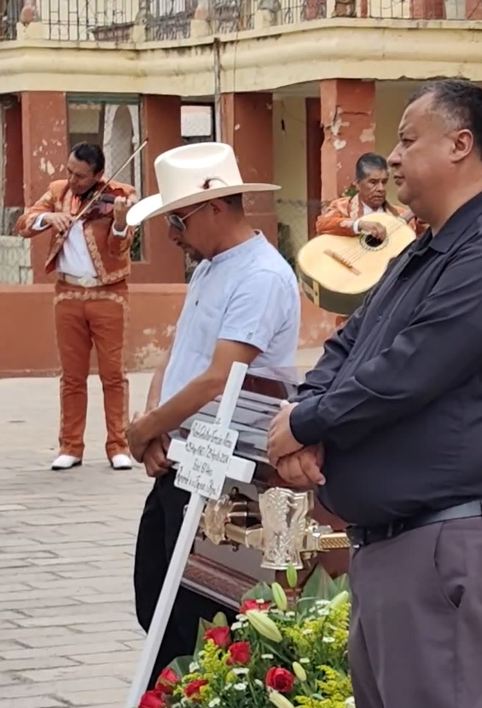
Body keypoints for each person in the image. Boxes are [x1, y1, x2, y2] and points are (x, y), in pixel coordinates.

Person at [264, 79, 482, 708]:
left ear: (459, 144)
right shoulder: (427, 245)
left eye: (406, 141)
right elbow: (351, 343)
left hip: (449, 541)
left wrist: (309, 423)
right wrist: (305, 413)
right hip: (400, 543)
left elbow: (408, 372)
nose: (392, 158)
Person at [120, 142, 301, 689]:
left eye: (177, 220)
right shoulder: (210, 268)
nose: (172, 235)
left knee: (195, 618)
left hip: (224, 471)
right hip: (183, 457)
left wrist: (146, 429)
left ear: (215, 208)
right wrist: (154, 425)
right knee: (155, 598)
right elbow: (180, 356)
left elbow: (219, 376)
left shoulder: (261, 276)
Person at [15, 143, 139, 471]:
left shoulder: (121, 194)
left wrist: (120, 222)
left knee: (113, 375)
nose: (73, 180)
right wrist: (48, 217)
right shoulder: (58, 191)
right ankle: (70, 446)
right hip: (68, 293)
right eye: (70, 171)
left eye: (81, 176)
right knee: (71, 376)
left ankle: (118, 445)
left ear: (98, 175)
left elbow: (119, 249)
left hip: (108, 293)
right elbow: (23, 224)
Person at [315, 152, 424, 240]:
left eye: (384, 182)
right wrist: (359, 225)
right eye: (373, 182)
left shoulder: (401, 215)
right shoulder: (342, 207)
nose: (381, 188)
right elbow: (322, 225)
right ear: (357, 184)